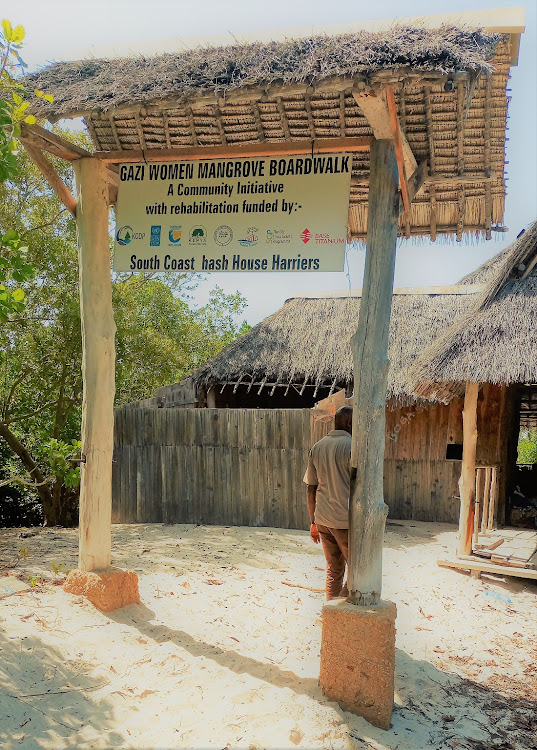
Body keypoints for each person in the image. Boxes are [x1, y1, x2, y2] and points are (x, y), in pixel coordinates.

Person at [303, 405, 353, 600]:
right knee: (357, 570)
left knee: (334, 569)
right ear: (349, 423)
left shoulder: (317, 447)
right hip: (344, 520)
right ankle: (340, 609)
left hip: (323, 518)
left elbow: (310, 488)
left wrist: (313, 523)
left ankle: (330, 612)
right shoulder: (352, 447)